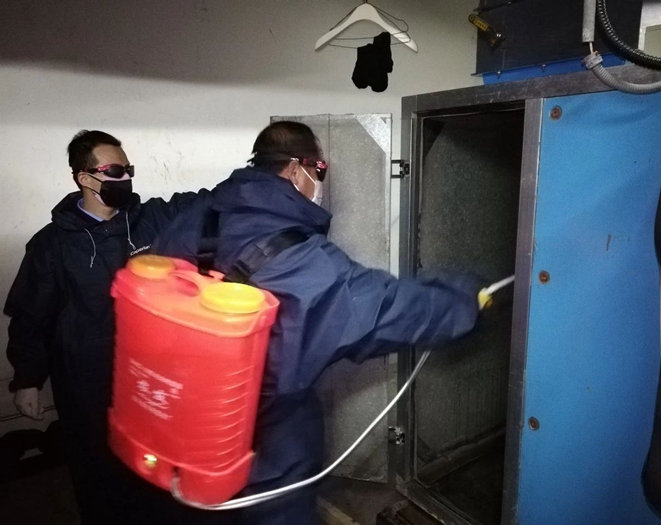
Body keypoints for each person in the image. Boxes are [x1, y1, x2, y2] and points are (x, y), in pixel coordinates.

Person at [153, 121, 482, 524]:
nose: (320, 182)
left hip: (184, 415)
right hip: (263, 433)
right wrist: (464, 301)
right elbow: (382, 309)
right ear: (296, 169)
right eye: (319, 170)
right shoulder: (298, 257)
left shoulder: (197, 216)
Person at [4, 130, 202, 524]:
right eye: (114, 171)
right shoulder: (53, 244)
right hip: (86, 379)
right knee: (98, 468)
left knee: (152, 463)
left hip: (147, 374)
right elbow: (32, 316)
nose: (124, 178)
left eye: (128, 170)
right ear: (85, 178)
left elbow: (203, 205)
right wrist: (27, 380)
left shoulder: (147, 222)